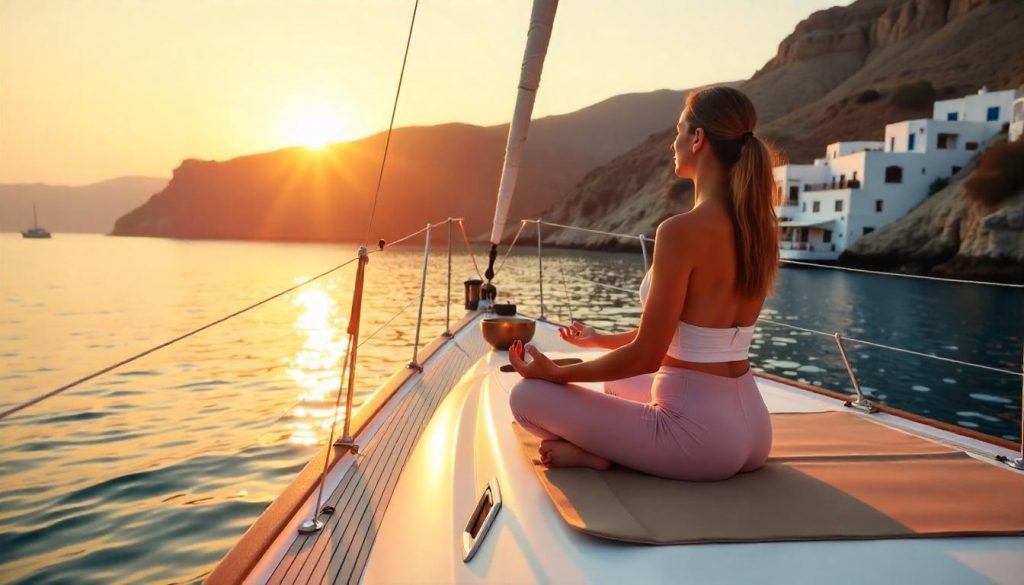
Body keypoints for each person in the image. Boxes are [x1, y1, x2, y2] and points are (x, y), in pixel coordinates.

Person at [507, 86, 780, 481]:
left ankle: (601, 455)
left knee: (527, 397)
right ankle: (611, 450)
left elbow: (647, 357)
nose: (674, 142)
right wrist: (601, 340)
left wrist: (554, 375)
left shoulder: (681, 231)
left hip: (700, 440)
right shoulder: (759, 229)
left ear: (698, 139)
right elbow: (685, 335)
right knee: (616, 381)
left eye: (679, 130)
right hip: (753, 427)